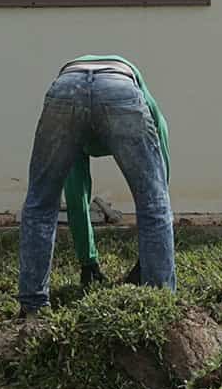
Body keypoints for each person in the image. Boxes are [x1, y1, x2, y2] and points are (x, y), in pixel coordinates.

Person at [18, 56, 173, 315]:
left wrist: (89, 263)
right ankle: (160, 305)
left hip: (66, 89)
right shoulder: (133, 111)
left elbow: (75, 195)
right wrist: (91, 262)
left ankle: (33, 307)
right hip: (119, 86)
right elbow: (157, 194)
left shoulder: (72, 128)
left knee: (40, 204)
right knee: (154, 202)